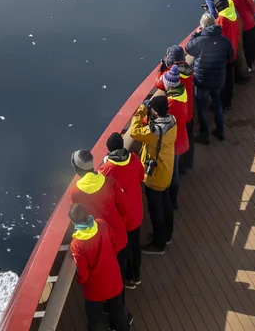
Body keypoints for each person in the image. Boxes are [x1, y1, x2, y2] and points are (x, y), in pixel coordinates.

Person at [126, 93, 176, 252]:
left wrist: (141, 109)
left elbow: (134, 132)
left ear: (155, 111)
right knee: (166, 204)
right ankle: (167, 236)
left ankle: (159, 244)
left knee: (156, 210)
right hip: (167, 169)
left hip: (155, 175)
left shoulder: (155, 132)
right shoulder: (172, 121)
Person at [70, 149, 126, 292]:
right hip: (118, 235)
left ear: (76, 168)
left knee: (110, 275)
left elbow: (80, 217)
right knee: (121, 270)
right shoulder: (110, 182)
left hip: (100, 243)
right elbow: (123, 206)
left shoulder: (76, 192)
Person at [68, 203, 127, 331]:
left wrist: (81, 281)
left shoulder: (77, 244)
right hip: (113, 279)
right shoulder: (101, 224)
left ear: (73, 222)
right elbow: (116, 244)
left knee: (94, 318)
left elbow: (83, 271)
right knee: (118, 309)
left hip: (95, 288)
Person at [100, 133, 144, 288]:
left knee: (124, 249)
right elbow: (141, 176)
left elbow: (102, 193)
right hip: (136, 212)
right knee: (135, 244)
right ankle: (136, 275)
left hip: (121, 218)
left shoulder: (106, 169)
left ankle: (127, 277)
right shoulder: (134, 159)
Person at [186, 13, 232, 141]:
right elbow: (231, 56)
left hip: (202, 80)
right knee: (217, 104)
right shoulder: (224, 40)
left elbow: (188, 49)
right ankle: (220, 131)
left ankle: (204, 134)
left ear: (203, 26)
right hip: (218, 79)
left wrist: (195, 34)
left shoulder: (200, 40)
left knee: (202, 107)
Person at [160, 66, 193, 195]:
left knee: (173, 173)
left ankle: (173, 199)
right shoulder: (181, 92)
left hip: (175, 141)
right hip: (181, 136)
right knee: (177, 164)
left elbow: (164, 118)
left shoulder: (172, 103)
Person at [222, 0, 255, 68]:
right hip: (247, 21)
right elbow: (252, 4)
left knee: (238, 46)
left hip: (233, 20)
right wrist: (253, 13)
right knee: (249, 45)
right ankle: (249, 65)